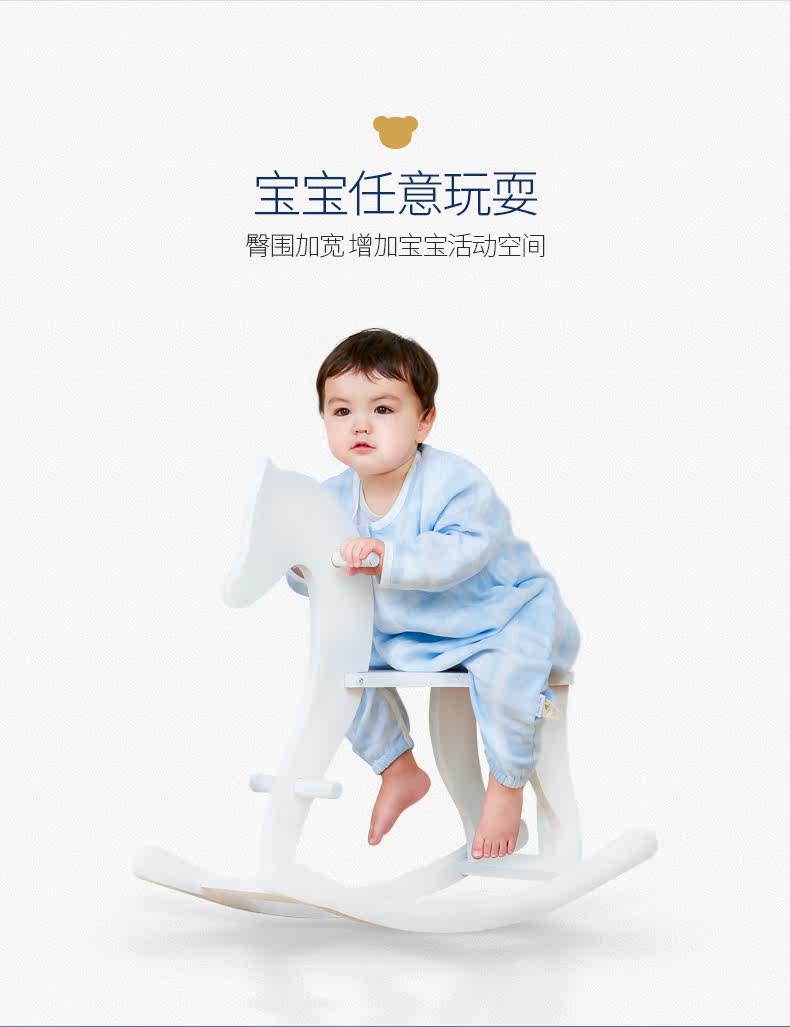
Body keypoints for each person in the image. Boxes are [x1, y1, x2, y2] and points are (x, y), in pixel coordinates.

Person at [286, 328, 581, 860]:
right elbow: (324, 581)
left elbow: (465, 550)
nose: (360, 424)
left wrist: (388, 555)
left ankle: (506, 784)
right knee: (337, 659)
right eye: (341, 411)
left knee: (507, 674)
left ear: (424, 421)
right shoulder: (330, 500)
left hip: (494, 616)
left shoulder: (455, 482)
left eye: (382, 409)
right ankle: (397, 767)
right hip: (407, 632)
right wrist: (302, 568)